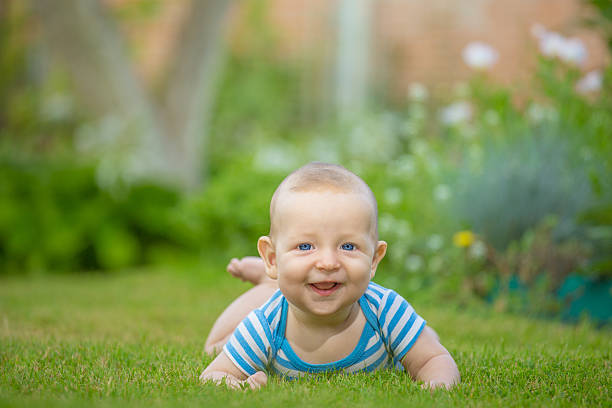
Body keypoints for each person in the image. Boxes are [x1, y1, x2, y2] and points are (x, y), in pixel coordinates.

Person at [200, 162, 460, 390]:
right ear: (272, 258)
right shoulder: (266, 325)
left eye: (347, 247)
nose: (327, 263)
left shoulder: (385, 310)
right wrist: (237, 386)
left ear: (373, 260)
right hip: (271, 294)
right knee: (215, 347)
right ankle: (266, 281)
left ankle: (424, 332)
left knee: (426, 339)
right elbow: (214, 373)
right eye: (305, 246)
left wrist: (437, 385)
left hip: (299, 280)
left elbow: (433, 360)